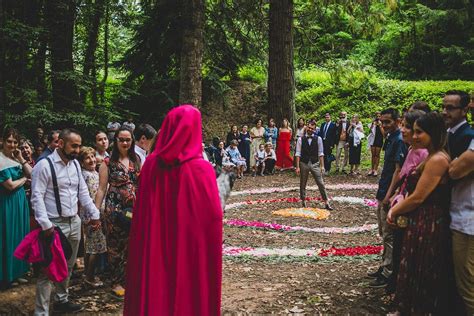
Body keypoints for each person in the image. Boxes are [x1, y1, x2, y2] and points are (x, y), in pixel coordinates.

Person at [124, 105, 222, 316]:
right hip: (190, 248)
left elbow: (143, 214)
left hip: (156, 244)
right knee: (188, 291)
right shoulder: (202, 169)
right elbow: (213, 218)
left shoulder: (150, 165)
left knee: (158, 286)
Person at [387, 112, 454, 314]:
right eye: (413, 131)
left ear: (433, 133)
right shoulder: (430, 156)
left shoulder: (438, 160)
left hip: (429, 221)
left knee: (422, 267)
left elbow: (418, 196)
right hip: (419, 219)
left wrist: (394, 211)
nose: (414, 136)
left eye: (419, 132)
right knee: (414, 264)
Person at [31, 128, 101, 314]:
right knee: (47, 270)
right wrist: (45, 224)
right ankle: (41, 312)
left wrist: (94, 214)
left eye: (79, 146)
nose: (77, 150)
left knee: (68, 265)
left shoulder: (75, 165)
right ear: (61, 143)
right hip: (53, 224)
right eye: (74, 146)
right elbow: (36, 197)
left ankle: (62, 300)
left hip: (74, 222)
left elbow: (83, 193)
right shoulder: (44, 165)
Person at [385, 110, 428, 295]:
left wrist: (396, 208)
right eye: (403, 125)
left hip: (413, 211)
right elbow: (402, 177)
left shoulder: (425, 154)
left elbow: (418, 191)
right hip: (401, 205)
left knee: (406, 252)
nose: (403, 130)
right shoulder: (410, 149)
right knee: (398, 249)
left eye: (408, 127)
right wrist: (394, 195)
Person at [95, 127, 140, 298]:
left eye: (128, 140)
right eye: (121, 139)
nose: (125, 143)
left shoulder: (136, 160)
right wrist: (96, 211)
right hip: (115, 211)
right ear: (116, 141)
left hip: (134, 210)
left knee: (131, 245)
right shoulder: (107, 163)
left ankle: (129, 279)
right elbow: (101, 188)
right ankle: (116, 281)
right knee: (116, 247)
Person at [368, 108, 407, 288]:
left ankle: (388, 272)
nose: (384, 125)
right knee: (383, 233)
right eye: (382, 122)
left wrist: (389, 195)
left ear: (397, 121)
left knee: (388, 235)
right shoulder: (390, 138)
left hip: (388, 194)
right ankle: (383, 266)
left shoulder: (399, 140)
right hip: (382, 189)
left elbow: (398, 171)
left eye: (388, 122)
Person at [443, 90, 474, 314]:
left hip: (467, 215)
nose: (445, 112)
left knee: (467, 281)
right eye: (443, 107)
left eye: (451, 108)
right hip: (454, 212)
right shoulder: (448, 132)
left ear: (465, 110)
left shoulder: (466, 135)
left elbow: (452, 172)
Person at [0, 129, 32, 290]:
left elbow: (32, 173)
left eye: (15, 142)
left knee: (20, 234)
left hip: (20, 201)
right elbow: (10, 185)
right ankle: (7, 275)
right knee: (9, 235)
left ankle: (18, 272)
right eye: (9, 141)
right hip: (7, 202)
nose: (12, 145)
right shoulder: (0, 159)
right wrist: (25, 179)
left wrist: (20, 158)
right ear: (2, 141)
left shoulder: (14, 157)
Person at [78, 147, 107, 289]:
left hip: (99, 214)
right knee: (95, 247)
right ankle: (89, 277)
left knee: (92, 246)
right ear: (82, 162)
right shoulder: (84, 175)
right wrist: (91, 217)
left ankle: (87, 274)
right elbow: (85, 198)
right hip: (92, 217)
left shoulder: (95, 172)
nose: (91, 160)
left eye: (92, 156)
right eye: (87, 158)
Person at [294, 120, 332, 210]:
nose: (310, 129)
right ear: (306, 127)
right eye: (309, 127)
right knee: (303, 183)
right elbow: (297, 153)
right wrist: (297, 167)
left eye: (312, 128)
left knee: (321, 183)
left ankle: (326, 202)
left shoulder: (318, 139)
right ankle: (303, 201)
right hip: (304, 163)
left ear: (315, 129)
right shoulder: (300, 139)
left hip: (315, 163)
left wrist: (322, 166)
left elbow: (321, 153)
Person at [367, 112, 384, 176]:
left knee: (377, 155)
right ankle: (372, 169)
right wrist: (372, 125)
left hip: (379, 140)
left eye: (379, 116)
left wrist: (380, 125)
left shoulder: (382, 124)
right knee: (373, 155)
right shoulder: (373, 123)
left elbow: (383, 134)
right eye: (377, 116)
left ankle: (375, 169)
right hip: (373, 140)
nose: (378, 118)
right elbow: (369, 132)